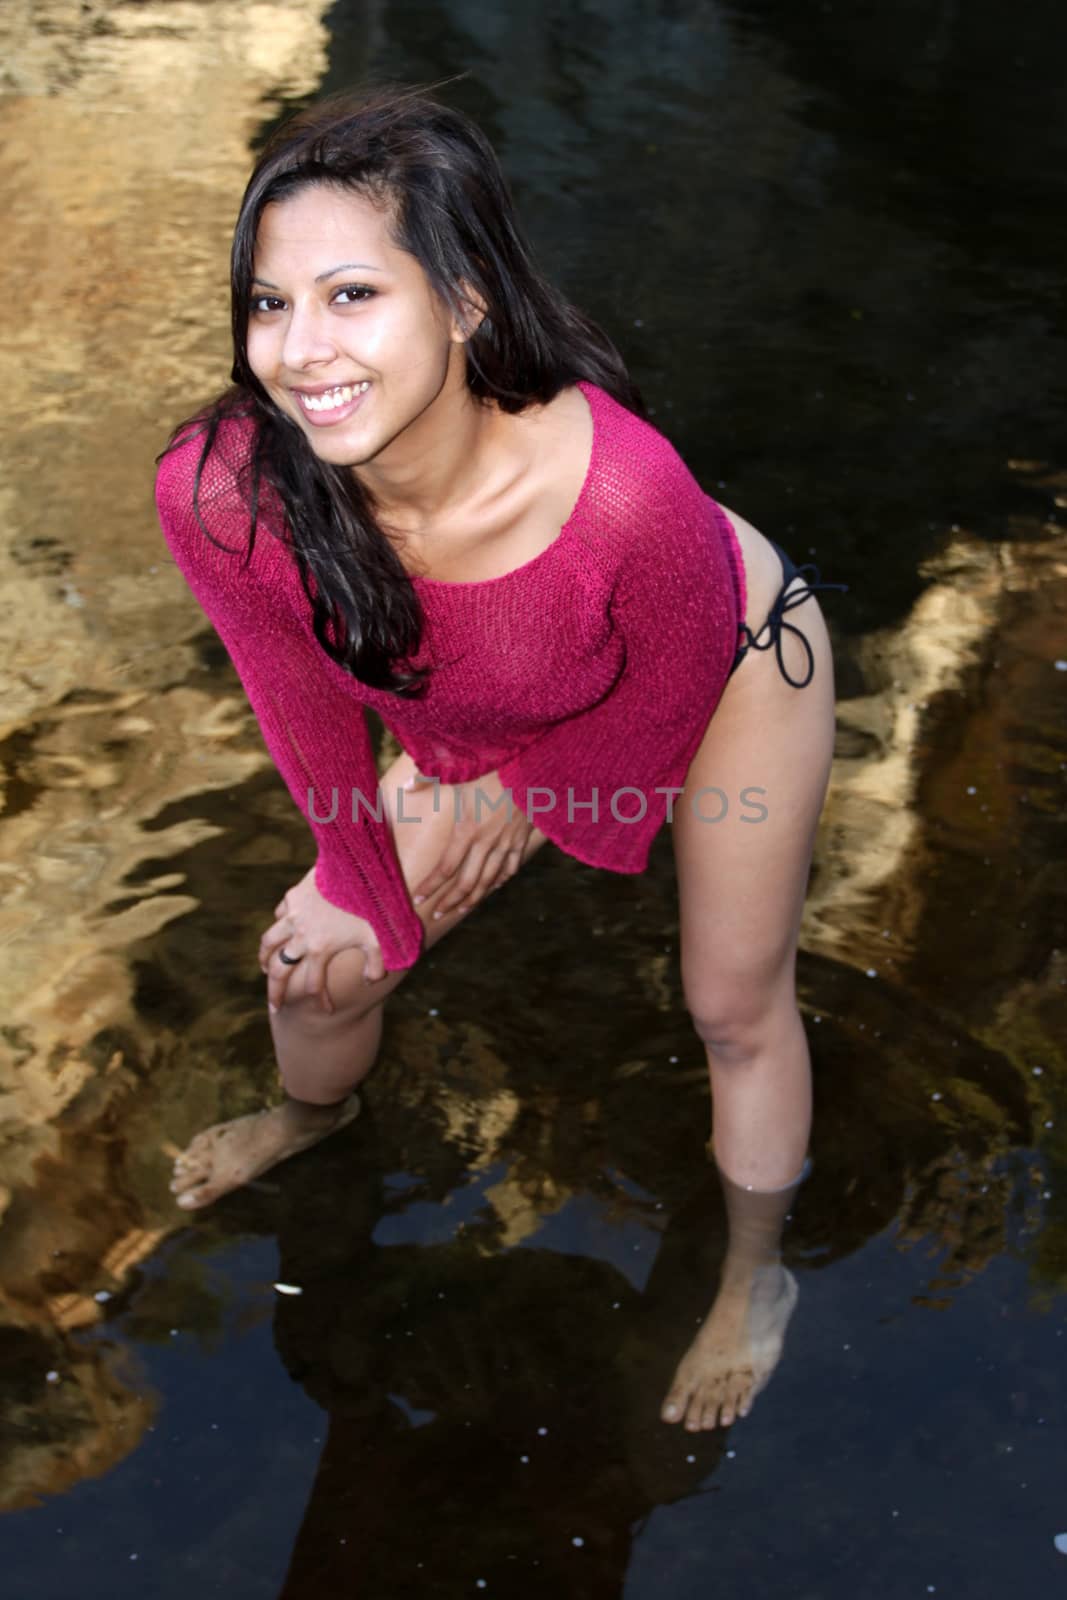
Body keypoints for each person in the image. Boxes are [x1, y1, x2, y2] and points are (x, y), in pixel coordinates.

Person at [155, 87, 845, 1431]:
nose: (301, 352)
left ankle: (753, 1277)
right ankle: (313, 1125)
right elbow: (297, 702)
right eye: (268, 303)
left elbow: (659, 712)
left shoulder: (628, 496)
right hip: (484, 702)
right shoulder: (222, 486)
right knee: (317, 953)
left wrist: (516, 803)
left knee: (730, 1003)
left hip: (719, 663)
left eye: (354, 294)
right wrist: (367, 882)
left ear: (467, 303)